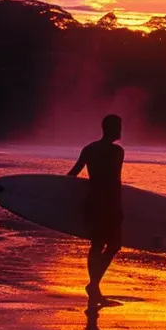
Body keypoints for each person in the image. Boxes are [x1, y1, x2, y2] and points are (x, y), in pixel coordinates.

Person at [68, 114, 125, 305]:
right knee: (113, 245)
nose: (121, 131)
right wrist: (118, 208)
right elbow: (114, 181)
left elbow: (72, 175)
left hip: (92, 202)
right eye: (119, 127)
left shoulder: (89, 149)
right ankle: (94, 285)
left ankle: (94, 287)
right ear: (111, 129)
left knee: (97, 245)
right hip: (108, 203)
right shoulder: (117, 152)